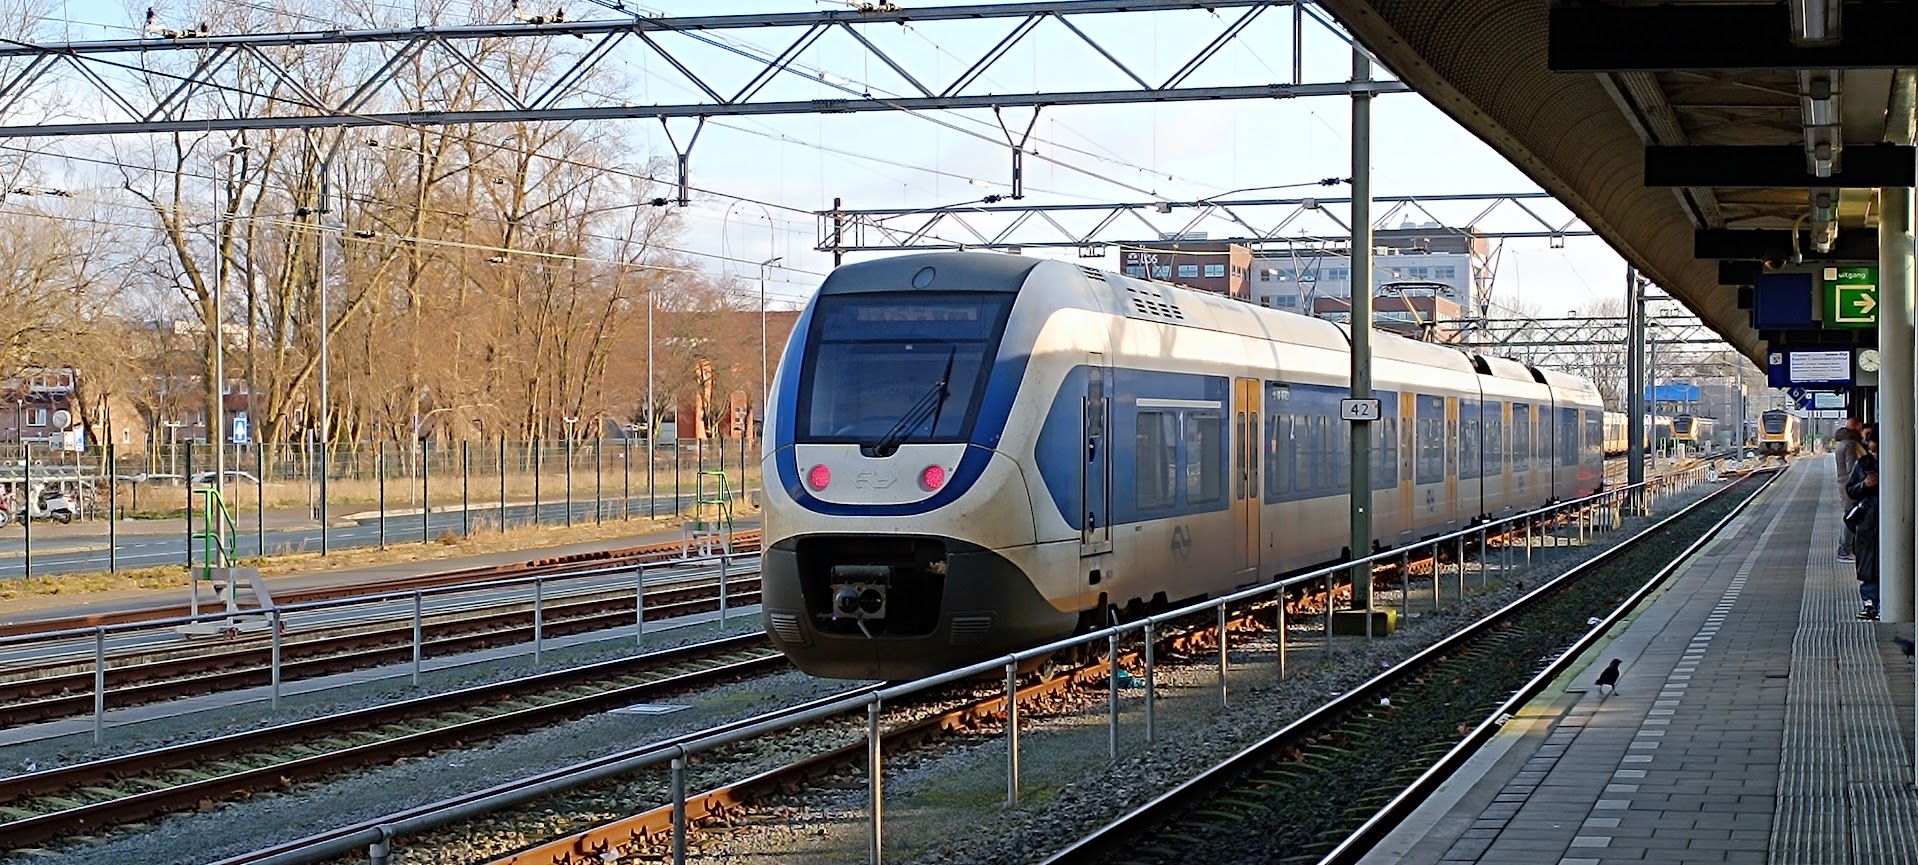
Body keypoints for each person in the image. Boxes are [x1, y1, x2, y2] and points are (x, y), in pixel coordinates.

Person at [1846, 426, 1880, 620]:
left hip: (1883, 522)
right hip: (1868, 523)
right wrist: (1864, 485)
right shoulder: (1863, 464)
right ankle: (1870, 603)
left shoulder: (1899, 461)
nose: (1873, 453)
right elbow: (1851, 489)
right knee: (1868, 564)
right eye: (1872, 450)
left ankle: (1882, 602)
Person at [1834, 419, 1864, 562]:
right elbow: (1853, 468)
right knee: (1851, 516)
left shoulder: (1842, 442)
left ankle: (1846, 548)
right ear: (1856, 427)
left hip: (1844, 484)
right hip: (1850, 486)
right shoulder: (1851, 444)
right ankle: (1844, 549)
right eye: (1859, 426)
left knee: (1849, 515)